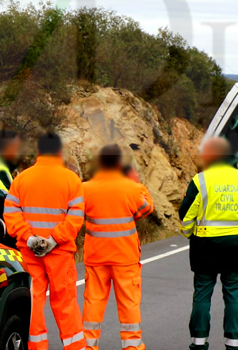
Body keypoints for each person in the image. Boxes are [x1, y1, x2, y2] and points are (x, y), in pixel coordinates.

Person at [2, 132, 86, 350]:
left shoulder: (21, 179)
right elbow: (76, 217)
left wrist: (29, 238)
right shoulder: (71, 180)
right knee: (66, 305)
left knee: (33, 305)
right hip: (60, 254)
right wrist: (53, 240)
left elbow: (10, 213)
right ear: (59, 151)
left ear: (38, 151)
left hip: (30, 254)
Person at [179, 137, 238, 350]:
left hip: (205, 246)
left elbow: (186, 214)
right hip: (236, 245)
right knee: (233, 296)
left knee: (202, 294)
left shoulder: (200, 180)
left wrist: (189, 234)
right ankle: (234, 344)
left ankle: (199, 343)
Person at [82, 144, 154, 350]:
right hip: (125, 257)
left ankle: (89, 346)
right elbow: (146, 208)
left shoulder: (85, 188)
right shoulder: (131, 188)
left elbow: (76, 213)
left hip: (96, 256)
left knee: (93, 303)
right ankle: (132, 347)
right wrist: (138, 184)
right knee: (129, 304)